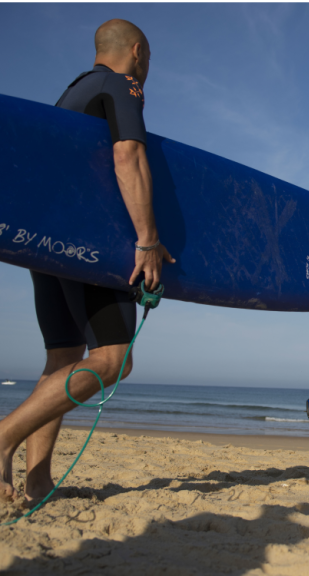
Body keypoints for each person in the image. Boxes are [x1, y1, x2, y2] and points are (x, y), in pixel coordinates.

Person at [0, 19, 174, 503]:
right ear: (137, 51)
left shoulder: (72, 95)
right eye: (149, 59)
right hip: (88, 249)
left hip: (47, 246)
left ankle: (37, 481)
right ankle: (2, 438)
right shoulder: (122, 86)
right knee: (114, 359)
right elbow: (129, 155)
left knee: (62, 359)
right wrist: (147, 239)